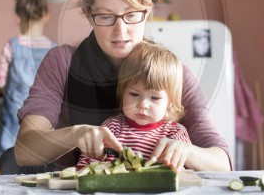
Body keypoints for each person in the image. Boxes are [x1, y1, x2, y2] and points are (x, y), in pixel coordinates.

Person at [15, 0, 231, 172]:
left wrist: (188, 151)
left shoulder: (175, 74)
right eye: (105, 17)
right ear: (88, 16)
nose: (121, 31)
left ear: (147, 11)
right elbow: (24, 151)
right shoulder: (62, 62)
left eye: (131, 15)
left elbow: (223, 162)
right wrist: (75, 134)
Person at [75, 41, 192, 171]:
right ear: (122, 92)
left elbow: (185, 170)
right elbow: (85, 167)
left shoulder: (175, 133)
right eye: (134, 94)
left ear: (170, 101)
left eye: (155, 97)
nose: (143, 104)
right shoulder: (110, 128)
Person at [0, 0, 56, 157]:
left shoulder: (12, 46)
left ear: (18, 16)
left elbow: (0, 82)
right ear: (46, 15)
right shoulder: (55, 49)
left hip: (14, 128)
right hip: (45, 127)